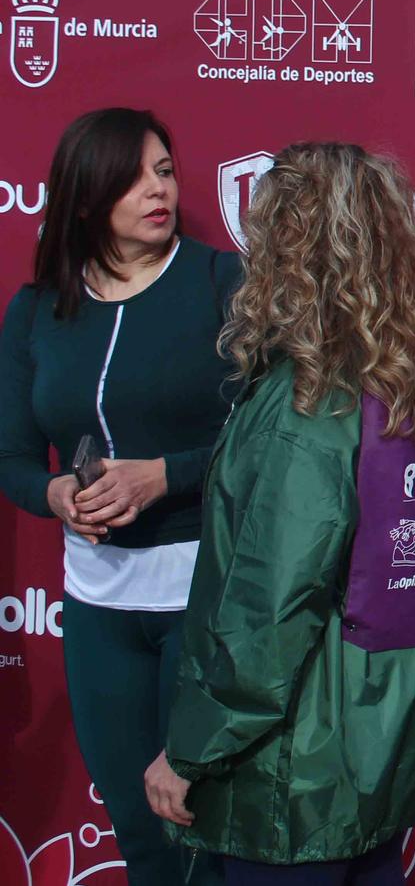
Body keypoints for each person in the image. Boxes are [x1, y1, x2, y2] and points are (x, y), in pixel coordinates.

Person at [140, 143, 415, 885]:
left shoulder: (306, 408)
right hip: (383, 749)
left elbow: (265, 612)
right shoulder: (411, 386)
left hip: (297, 776)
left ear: (287, 246)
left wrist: (190, 750)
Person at [0, 108, 239, 886]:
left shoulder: (221, 284)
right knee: (139, 833)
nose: (157, 188)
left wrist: (165, 473)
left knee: (202, 832)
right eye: (135, 175)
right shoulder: (37, 310)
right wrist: (54, 490)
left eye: (165, 169)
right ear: (82, 196)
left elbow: (270, 443)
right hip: (98, 603)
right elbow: (9, 456)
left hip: (204, 593)